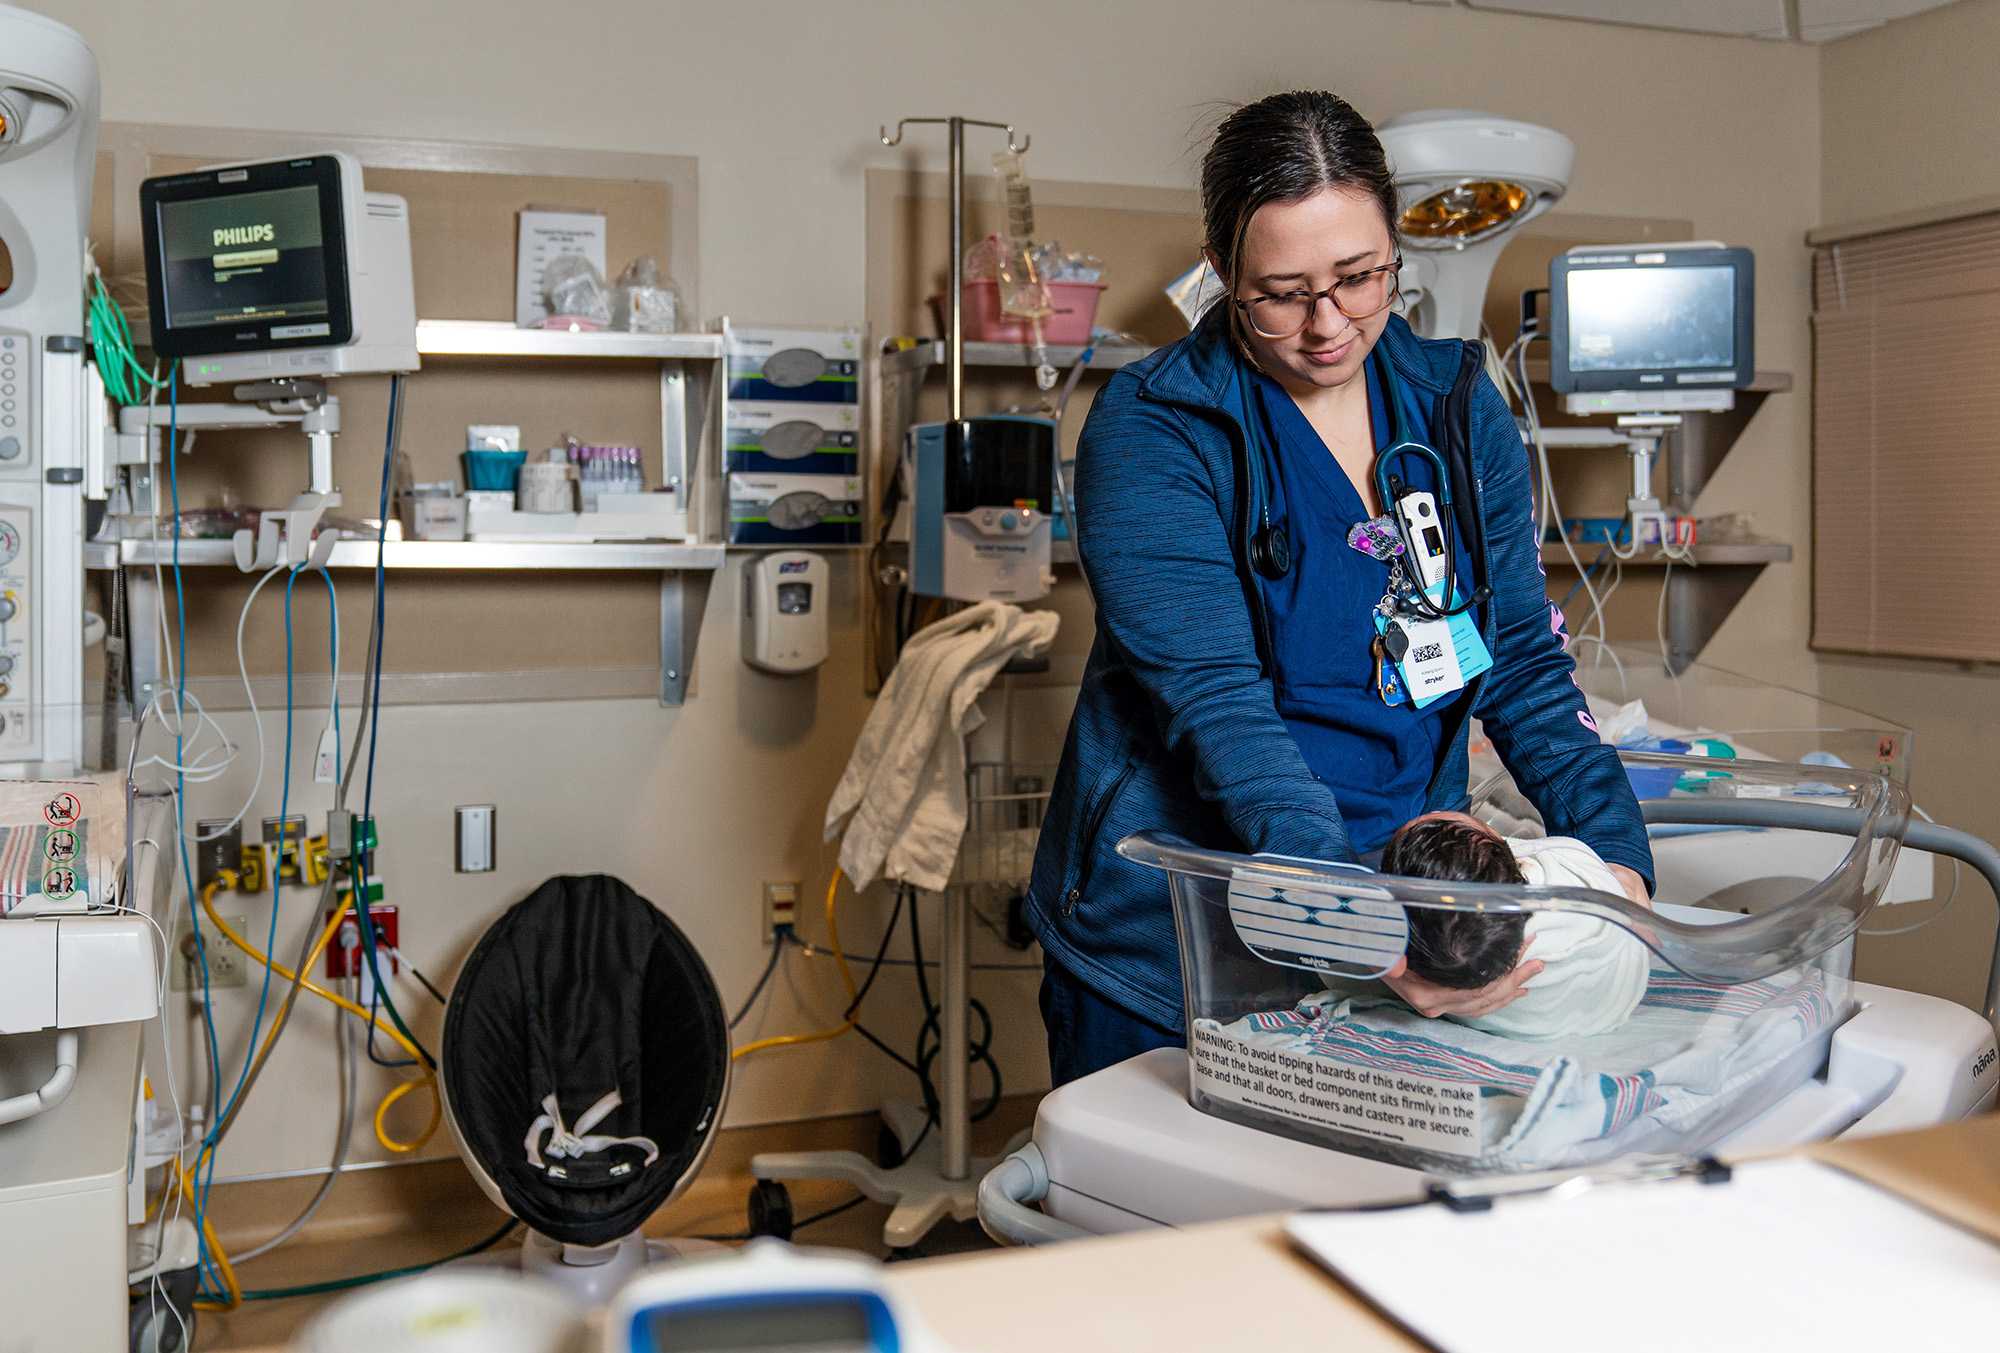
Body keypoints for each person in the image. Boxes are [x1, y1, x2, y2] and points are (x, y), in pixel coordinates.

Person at [1025, 90, 1655, 1087]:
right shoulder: (1155, 429)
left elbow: (1522, 666)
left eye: (1360, 278)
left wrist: (1616, 868)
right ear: (1222, 270)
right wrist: (1354, 920)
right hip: (1180, 938)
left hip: (1404, 916)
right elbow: (1218, 707)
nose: (1327, 326)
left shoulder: (1450, 404)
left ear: (1393, 248)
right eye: (1279, 292)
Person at [1381, 811, 1650, 1039]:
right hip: (1617, 1000)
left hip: (1531, 1028)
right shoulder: (1565, 869)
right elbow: (1568, 850)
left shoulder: (1424, 947)